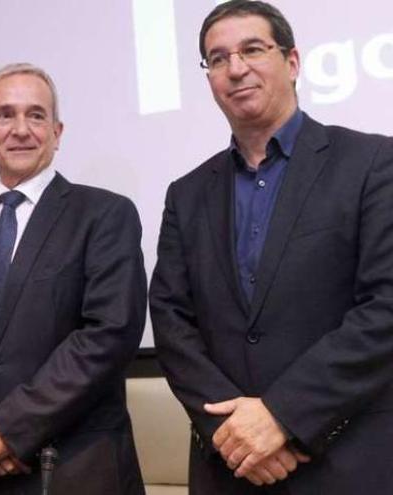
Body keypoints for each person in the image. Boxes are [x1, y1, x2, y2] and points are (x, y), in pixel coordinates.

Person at [149, 1, 393, 493]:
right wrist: (232, 431)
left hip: (344, 462)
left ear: (294, 62)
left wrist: (282, 416)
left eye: (252, 49)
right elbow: (172, 321)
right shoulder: (187, 193)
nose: (235, 68)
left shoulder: (371, 163)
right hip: (228, 467)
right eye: (217, 59)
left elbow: (385, 307)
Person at [0, 63, 147, 494]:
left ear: (57, 132)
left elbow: (108, 335)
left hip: (74, 470)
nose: (20, 129)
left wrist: (7, 428)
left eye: (35, 115)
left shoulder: (104, 215)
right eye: (5, 115)